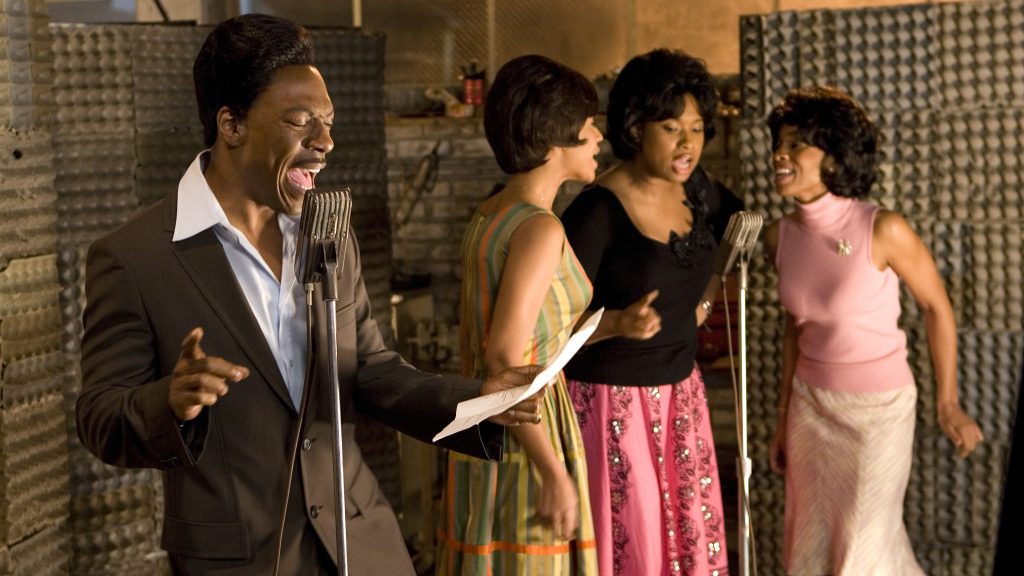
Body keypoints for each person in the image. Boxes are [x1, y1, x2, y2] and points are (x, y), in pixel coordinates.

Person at [75, 14, 543, 576]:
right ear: (231, 123)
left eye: (328, 122)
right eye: (301, 123)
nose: (325, 143)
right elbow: (100, 416)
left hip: (360, 542)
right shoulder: (135, 256)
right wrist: (170, 402)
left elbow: (367, 369)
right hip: (239, 559)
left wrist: (477, 400)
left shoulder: (328, 228)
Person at [764, 86, 985, 575]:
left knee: (862, 546)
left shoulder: (882, 229)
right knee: (810, 542)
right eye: (778, 142)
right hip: (809, 407)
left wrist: (947, 402)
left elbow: (936, 306)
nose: (781, 153)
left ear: (834, 156)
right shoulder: (779, 236)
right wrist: (783, 417)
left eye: (798, 142)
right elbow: (793, 328)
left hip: (878, 414)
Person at [562, 49, 741, 576]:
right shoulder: (596, 212)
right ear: (636, 128)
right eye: (671, 127)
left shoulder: (701, 191)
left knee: (688, 546)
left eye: (697, 127)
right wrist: (615, 323)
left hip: (681, 398)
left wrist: (709, 294)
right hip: (612, 406)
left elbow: (740, 233)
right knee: (636, 548)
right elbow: (542, 331)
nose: (689, 143)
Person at [435, 54, 601, 575]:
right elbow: (505, 354)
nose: (598, 137)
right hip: (525, 427)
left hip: (484, 429)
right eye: (588, 125)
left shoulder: (492, 212)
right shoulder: (540, 227)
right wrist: (551, 468)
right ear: (557, 139)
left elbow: (527, 328)